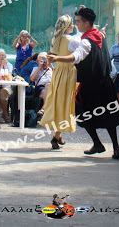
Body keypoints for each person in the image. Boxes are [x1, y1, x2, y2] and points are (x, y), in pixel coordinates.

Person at [48, 7, 119, 159]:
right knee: (108, 115)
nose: (76, 24)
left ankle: (98, 143)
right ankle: (115, 147)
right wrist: (83, 9)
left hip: (90, 85)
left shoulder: (86, 42)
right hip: (105, 84)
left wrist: (57, 59)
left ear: (87, 23)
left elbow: (76, 56)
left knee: (82, 114)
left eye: (78, 22)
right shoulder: (100, 35)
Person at [40, 14, 80, 149]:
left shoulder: (56, 40)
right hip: (68, 73)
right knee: (66, 104)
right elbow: (80, 52)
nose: (74, 26)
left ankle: (59, 134)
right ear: (67, 27)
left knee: (59, 103)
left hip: (58, 73)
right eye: (72, 24)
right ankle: (56, 136)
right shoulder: (70, 40)